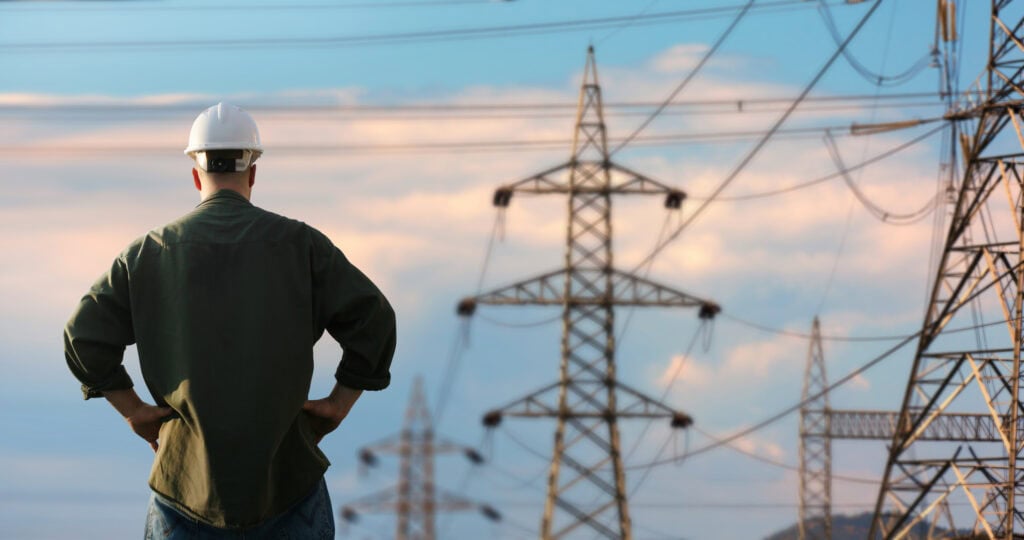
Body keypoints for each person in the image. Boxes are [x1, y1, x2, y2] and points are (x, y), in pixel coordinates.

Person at [63, 102, 397, 539]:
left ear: (196, 174)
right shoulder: (302, 245)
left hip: (182, 487)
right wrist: (339, 404)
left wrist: (134, 411)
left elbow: (82, 337)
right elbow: (374, 320)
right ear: (253, 171)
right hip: (289, 484)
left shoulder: (148, 253)